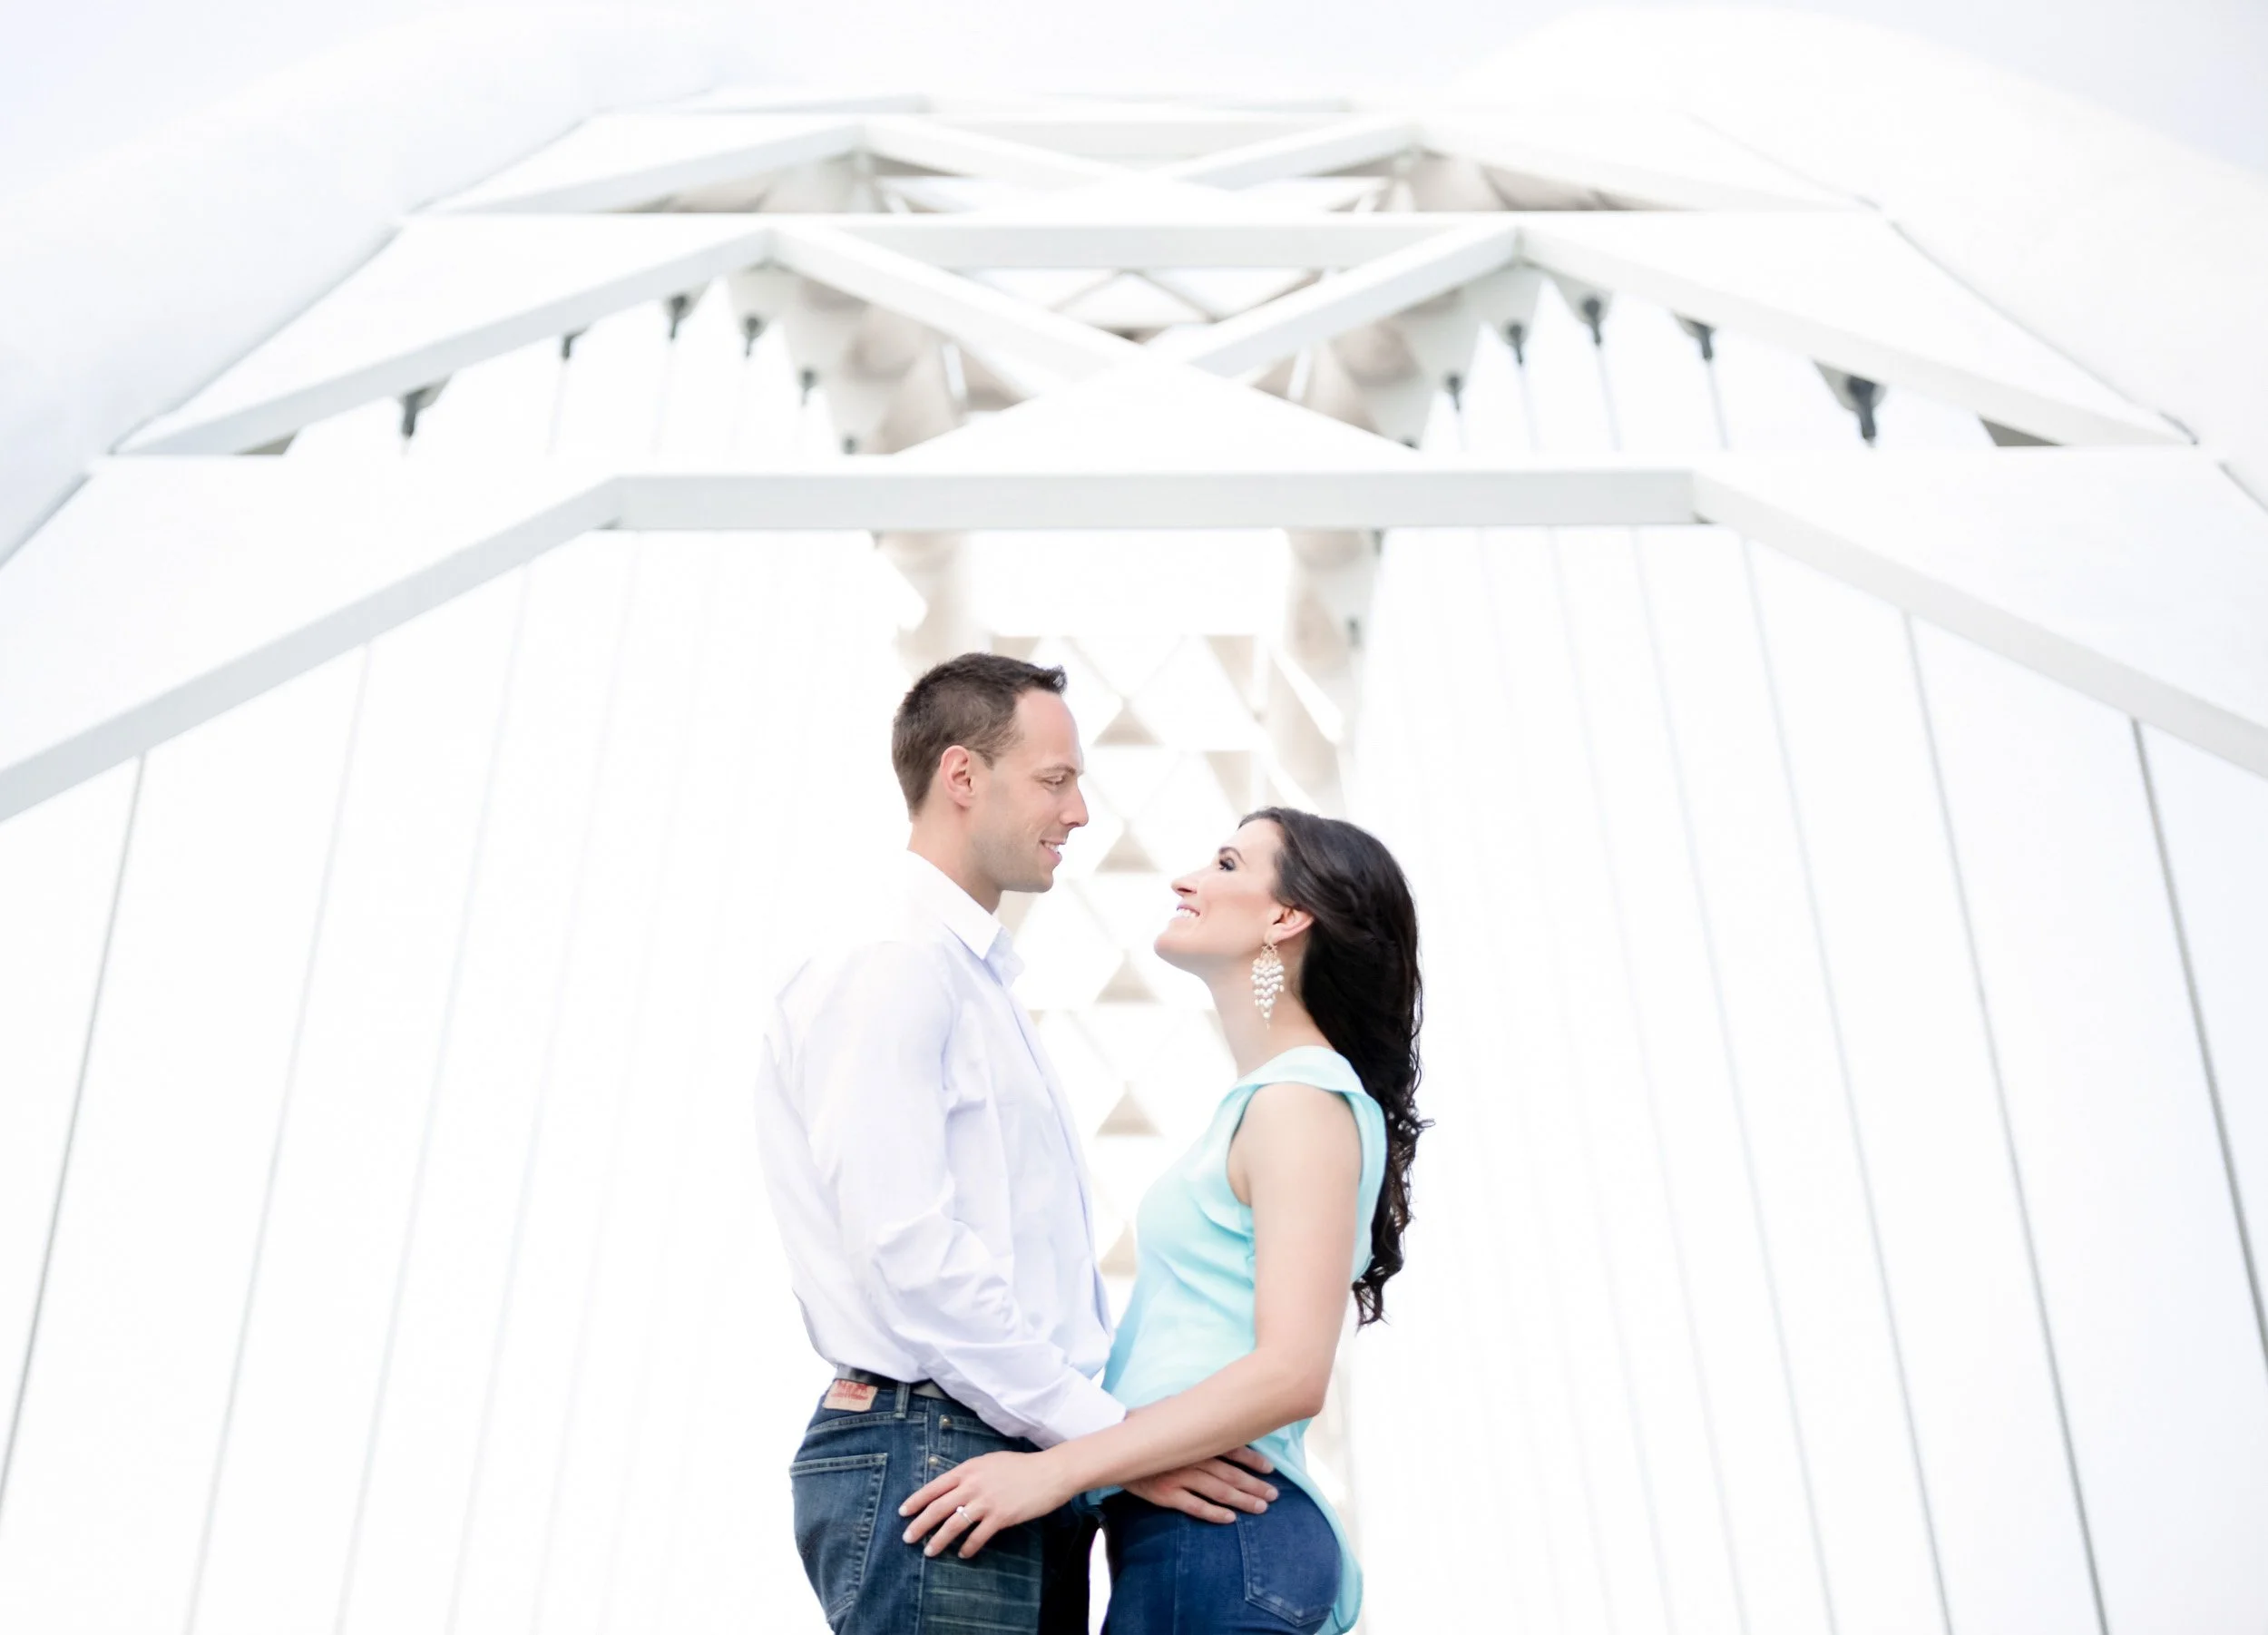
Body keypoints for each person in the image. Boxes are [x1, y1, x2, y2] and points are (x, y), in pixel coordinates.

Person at [755, 653, 1284, 1635]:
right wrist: (1113, 1436)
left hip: (1003, 1448)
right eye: (1055, 779)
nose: (1080, 811)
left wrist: (1087, 1450)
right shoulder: (892, 959)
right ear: (962, 776)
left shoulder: (968, 977)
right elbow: (907, 1247)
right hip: (938, 1446)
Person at [897, 806, 1425, 1635]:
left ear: (1286, 918)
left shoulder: (1302, 1102)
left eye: (1224, 864)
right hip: (1196, 1541)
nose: (1185, 879)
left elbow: (1292, 1371)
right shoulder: (1272, 1103)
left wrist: (1058, 1472)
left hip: (1224, 1537)